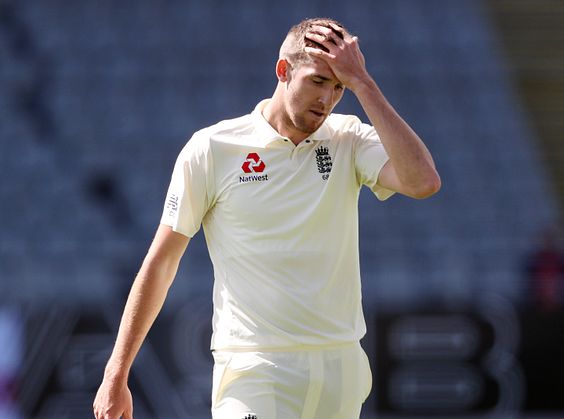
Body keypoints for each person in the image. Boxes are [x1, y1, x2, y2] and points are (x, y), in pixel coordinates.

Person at [93, 17, 440, 419]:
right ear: (283, 70)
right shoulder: (213, 148)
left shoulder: (348, 138)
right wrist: (115, 373)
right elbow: (161, 263)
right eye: (317, 81)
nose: (327, 99)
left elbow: (423, 182)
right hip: (255, 369)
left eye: (338, 87)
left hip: (340, 367)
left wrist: (363, 82)